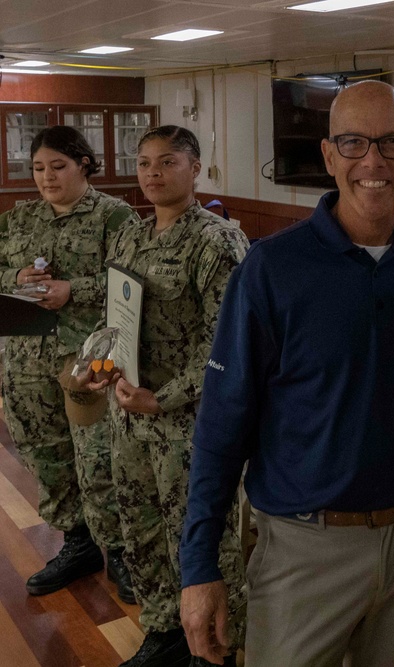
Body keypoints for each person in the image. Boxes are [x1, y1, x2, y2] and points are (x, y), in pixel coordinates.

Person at [179, 80, 394, 666]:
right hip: (303, 548)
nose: (374, 161)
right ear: (330, 156)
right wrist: (199, 567)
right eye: (354, 143)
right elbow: (221, 423)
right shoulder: (271, 268)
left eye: (392, 142)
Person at [89, 125, 249, 667]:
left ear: (195, 169)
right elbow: (115, 315)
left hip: (188, 423)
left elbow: (226, 343)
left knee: (201, 539)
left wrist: (164, 398)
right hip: (129, 414)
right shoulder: (131, 234)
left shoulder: (216, 240)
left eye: (168, 162)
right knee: (143, 530)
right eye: (144, 163)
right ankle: (162, 630)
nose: (153, 174)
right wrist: (99, 364)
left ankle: (217, 646)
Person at [0, 126, 137, 603]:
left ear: (84, 164)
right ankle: (78, 543)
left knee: (99, 456)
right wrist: (15, 275)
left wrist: (72, 289)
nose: (46, 177)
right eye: (38, 168)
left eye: (58, 166)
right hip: (25, 358)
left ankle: (118, 548)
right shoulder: (19, 220)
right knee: (46, 453)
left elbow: (131, 281)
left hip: (89, 361)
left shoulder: (113, 216)